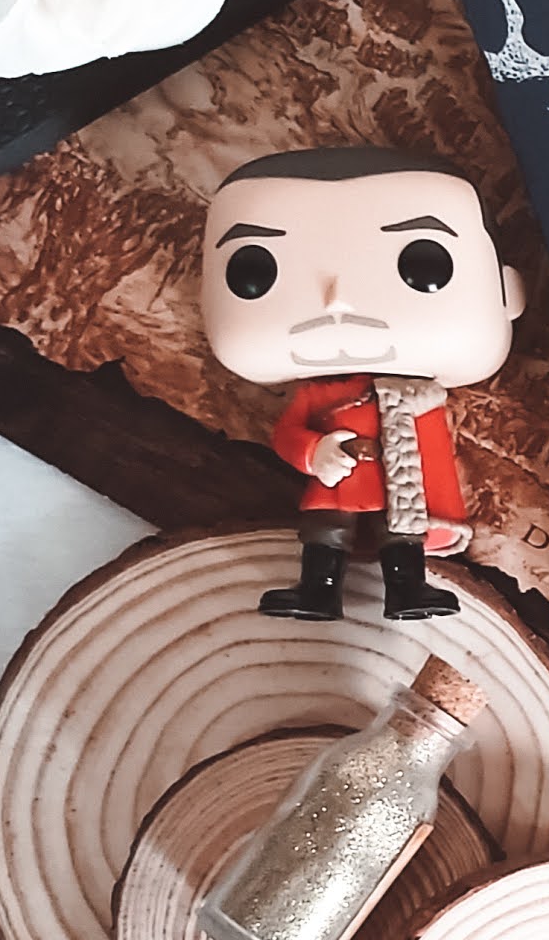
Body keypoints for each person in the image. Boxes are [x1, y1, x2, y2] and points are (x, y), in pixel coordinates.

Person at [200, 148, 526, 620]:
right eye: (255, 272)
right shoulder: (318, 393)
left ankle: (407, 589)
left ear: (508, 291)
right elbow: (286, 434)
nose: (338, 302)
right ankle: (318, 591)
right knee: (326, 534)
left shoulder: (421, 396)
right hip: (338, 481)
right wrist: (314, 452)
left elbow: (434, 453)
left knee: (402, 533)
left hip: (398, 485)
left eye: (424, 265)